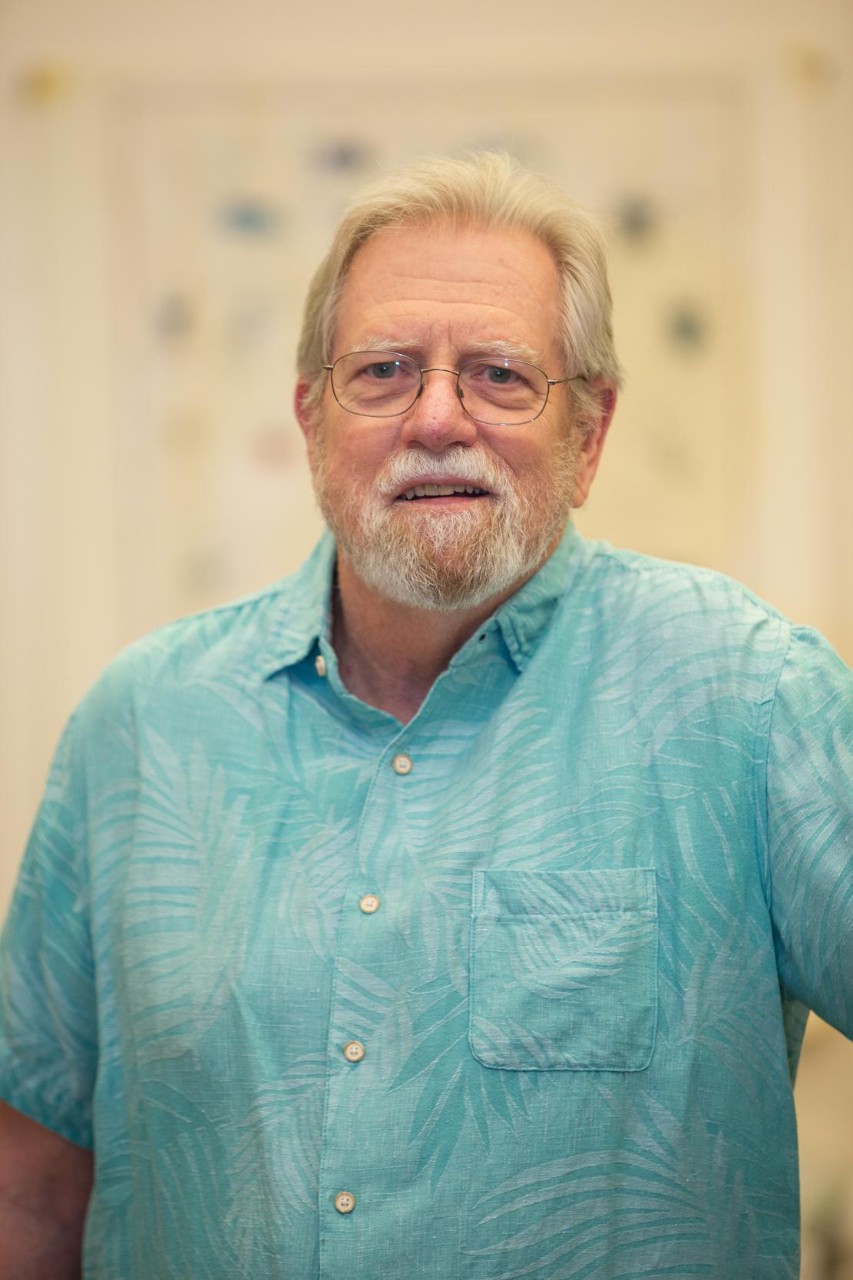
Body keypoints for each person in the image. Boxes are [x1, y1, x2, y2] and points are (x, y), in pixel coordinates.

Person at [0, 152, 850, 1280]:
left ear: (589, 433)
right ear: (311, 418)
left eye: (500, 374)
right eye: (385, 370)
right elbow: (35, 1182)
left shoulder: (748, 695)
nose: (437, 417)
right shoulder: (140, 728)